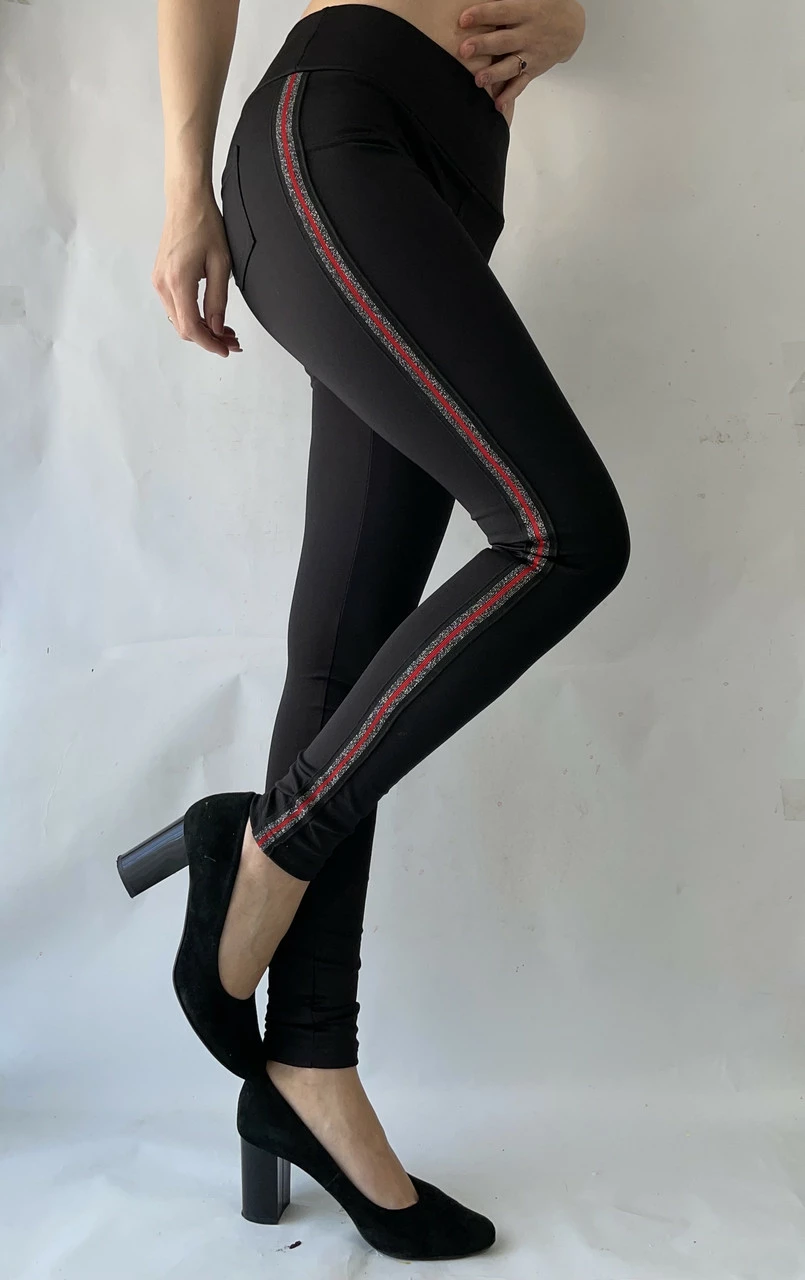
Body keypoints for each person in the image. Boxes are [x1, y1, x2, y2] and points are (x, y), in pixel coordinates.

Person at [129, 0, 624, 1262]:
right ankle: (265, 842)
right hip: (336, 129)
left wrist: (568, 26)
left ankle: (306, 1070)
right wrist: (184, 189)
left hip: (452, 179)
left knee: (349, 649)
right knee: (562, 535)